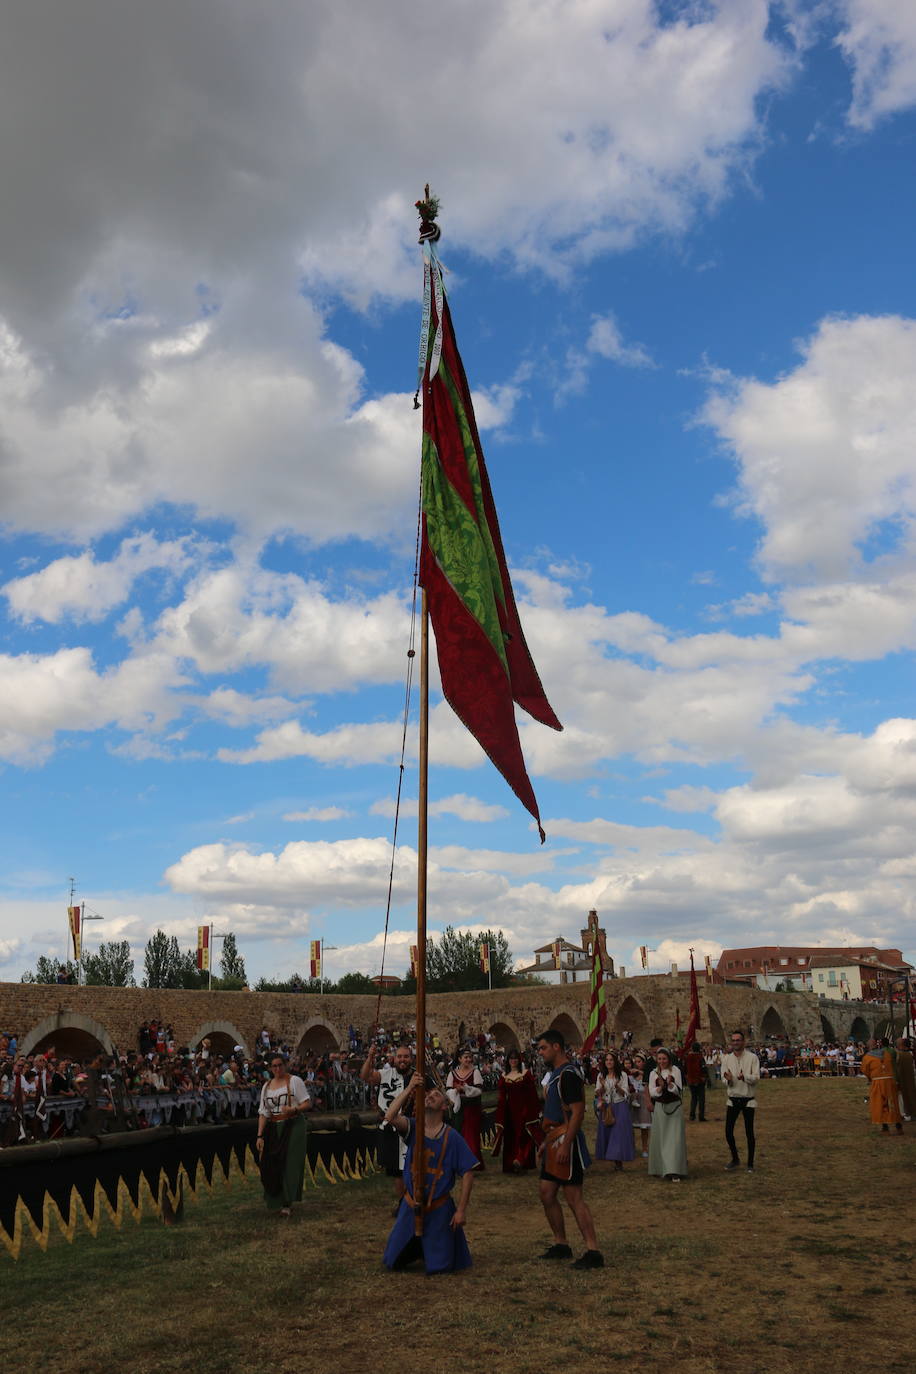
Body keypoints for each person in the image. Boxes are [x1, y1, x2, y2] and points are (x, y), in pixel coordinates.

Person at [382, 1072, 477, 1274]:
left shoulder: (453, 1137)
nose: (430, 1095)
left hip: (438, 1208)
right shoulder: (414, 1127)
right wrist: (410, 1088)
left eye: (436, 1094)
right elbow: (389, 1117)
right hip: (411, 1206)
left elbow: (468, 1172)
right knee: (392, 1262)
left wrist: (461, 1210)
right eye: (428, 1093)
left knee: (441, 1267)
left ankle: (429, 1248)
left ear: (445, 1106)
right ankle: (416, 1247)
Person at [535, 1028, 603, 1269]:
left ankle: (593, 1251)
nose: (540, 1052)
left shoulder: (568, 1075)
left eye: (543, 1048)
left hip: (566, 1143)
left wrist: (566, 1144)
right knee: (546, 1192)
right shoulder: (556, 1075)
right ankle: (561, 1243)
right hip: (554, 1140)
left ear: (556, 1047)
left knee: (574, 1198)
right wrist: (547, 1143)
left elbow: (577, 1112)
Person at [255, 1054, 313, 1216]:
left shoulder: (294, 1081)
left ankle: (287, 1202)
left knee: (289, 1163)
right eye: (274, 1066)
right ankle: (275, 1199)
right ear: (270, 1068)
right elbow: (263, 1112)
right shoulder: (266, 1087)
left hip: (293, 1124)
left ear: (285, 1065)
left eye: (280, 1065)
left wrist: (294, 1109)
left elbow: (307, 1103)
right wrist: (260, 1135)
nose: (277, 1069)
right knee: (271, 1162)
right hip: (274, 1127)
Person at [361, 1041, 415, 1211]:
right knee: (395, 1170)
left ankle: (412, 1200)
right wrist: (370, 1057)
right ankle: (403, 1203)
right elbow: (365, 1076)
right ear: (394, 1058)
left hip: (407, 1126)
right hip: (388, 1125)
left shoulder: (416, 1077)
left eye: (406, 1056)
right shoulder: (385, 1073)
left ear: (411, 1059)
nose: (402, 1059)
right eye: (399, 1056)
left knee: (409, 1167)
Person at [493, 1048, 542, 1173]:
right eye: (511, 1058)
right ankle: (512, 1163)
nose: (513, 1061)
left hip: (524, 1110)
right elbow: (502, 1097)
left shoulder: (525, 1074)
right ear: (508, 1060)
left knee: (524, 1136)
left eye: (515, 1058)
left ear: (519, 1060)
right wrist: (501, 1114)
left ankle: (522, 1160)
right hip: (510, 1111)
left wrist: (532, 1110)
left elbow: (532, 1094)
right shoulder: (504, 1076)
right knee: (511, 1137)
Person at [721, 1029, 760, 1171]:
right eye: (734, 1040)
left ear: (743, 1042)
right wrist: (729, 1080)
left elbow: (756, 1078)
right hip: (733, 1099)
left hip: (748, 1099)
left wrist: (746, 1077)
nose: (736, 1042)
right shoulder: (726, 1059)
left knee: (749, 1132)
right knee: (728, 1132)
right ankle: (735, 1158)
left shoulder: (752, 1058)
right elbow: (723, 1080)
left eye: (738, 1040)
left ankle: (750, 1164)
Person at [647, 1048, 687, 1181]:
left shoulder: (675, 1070)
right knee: (661, 1138)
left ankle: (674, 1169)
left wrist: (669, 1084)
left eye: (664, 1058)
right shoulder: (653, 1073)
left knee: (674, 1139)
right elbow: (652, 1092)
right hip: (660, 1108)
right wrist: (660, 1087)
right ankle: (660, 1168)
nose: (662, 1061)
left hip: (674, 1108)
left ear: (668, 1059)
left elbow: (678, 1090)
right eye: (659, 1059)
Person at [594, 1050, 635, 1170]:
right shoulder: (601, 1075)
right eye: (607, 1060)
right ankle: (611, 1157)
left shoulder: (622, 1075)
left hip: (620, 1105)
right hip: (607, 1106)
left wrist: (617, 1086)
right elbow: (598, 1093)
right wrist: (601, 1086)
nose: (609, 1062)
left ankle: (618, 1160)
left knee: (618, 1133)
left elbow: (626, 1093)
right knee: (608, 1132)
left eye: (611, 1060)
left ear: (615, 1061)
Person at [446, 1050, 485, 1167]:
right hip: (458, 1109)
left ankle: (472, 1161)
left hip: (471, 1109)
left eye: (470, 1057)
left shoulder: (475, 1072)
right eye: (466, 1057)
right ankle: (460, 1161)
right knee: (458, 1134)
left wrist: (465, 1089)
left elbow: (478, 1090)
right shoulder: (452, 1074)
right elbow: (448, 1091)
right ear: (459, 1059)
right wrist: (455, 1091)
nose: (468, 1059)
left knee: (471, 1134)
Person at [861, 1039, 903, 1134]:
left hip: (878, 1082)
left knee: (881, 1104)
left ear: (868, 1046)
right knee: (893, 1104)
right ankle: (898, 1126)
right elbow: (892, 1065)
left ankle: (885, 1127)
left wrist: (870, 1078)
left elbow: (865, 1070)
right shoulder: (886, 1053)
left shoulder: (867, 1057)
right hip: (890, 1081)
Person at [629, 1053, 652, 1158]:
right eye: (636, 1062)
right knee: (630, 1127)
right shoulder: (631, 1075)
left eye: (639, 1061)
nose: (637, 1064)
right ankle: (631, 1147)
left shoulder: (647, 1074)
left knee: (644, 1127)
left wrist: (639, 1072)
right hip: (633, 1102)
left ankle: (644, 1148)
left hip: (643, 1101)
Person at [685, 1041, 707, 1122]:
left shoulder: (688, 1057)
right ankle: (701, 1116)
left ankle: (692, 1115)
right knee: (701, 1099)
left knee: (693, 1098)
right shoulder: (700, 1057)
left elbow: (685, 1069)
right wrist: (704, 1077)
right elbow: (703, 1068)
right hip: (700, 1080)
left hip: (691, 1081)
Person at [895, 1037, 916, 1120]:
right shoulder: (908, 1054)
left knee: (904, 1097)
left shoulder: (902, 1055)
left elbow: (898, 1069)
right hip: (909, 1079)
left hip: (906, 1080)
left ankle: (906, 1113)